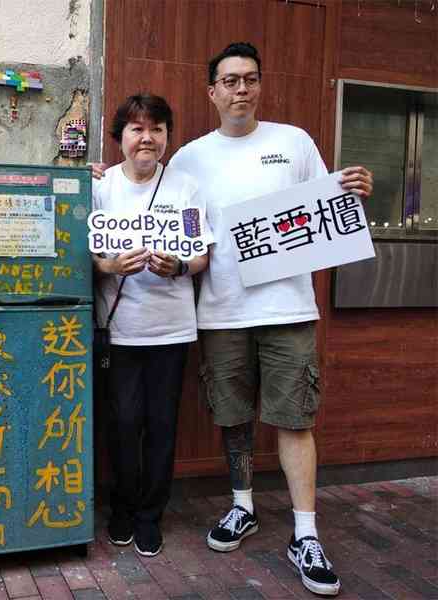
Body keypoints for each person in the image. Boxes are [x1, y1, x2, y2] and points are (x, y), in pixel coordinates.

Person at [168, 42, 373, 596]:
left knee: (295, 418)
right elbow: (162, 212)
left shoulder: (294, 143)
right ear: (212, 92)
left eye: (250, 79)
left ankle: (305, 533)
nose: (242, 89)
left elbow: (330, 208)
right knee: (233, 416)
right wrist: (102, 179)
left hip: (288, 308)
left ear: (260, 85)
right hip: (221, 310)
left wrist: (354, 192)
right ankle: (243, 506)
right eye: (230, 81)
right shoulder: (188, 159)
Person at [93, 94, 213, 557]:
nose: (147, 138)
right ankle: (122, 508)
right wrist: (110, 266)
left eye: (157, 129)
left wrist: (178, 266)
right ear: (120, 136)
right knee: (123, 423)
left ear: (166, 137)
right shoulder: (101, 188)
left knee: (162, 425)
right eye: (137, 129)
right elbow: (86, 254)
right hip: (119, 330)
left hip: (171, 330)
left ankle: (150, 516)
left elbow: (199, 254)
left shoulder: (185, 189)